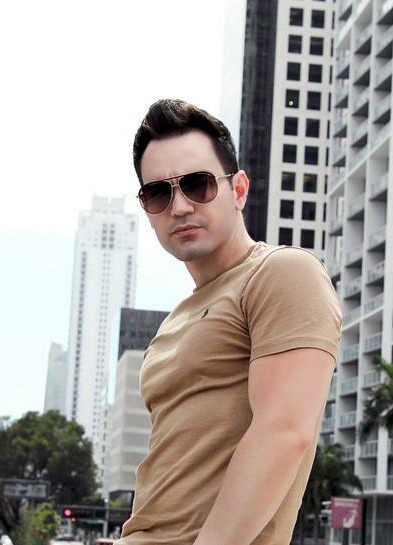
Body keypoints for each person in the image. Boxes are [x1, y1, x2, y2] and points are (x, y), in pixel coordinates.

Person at [114, 99, 342, 545]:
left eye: (197, 185)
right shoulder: (175, 321)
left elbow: (283, 433)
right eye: (158, 193)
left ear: (238, 190)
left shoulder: (281, 272)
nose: (180, 206)